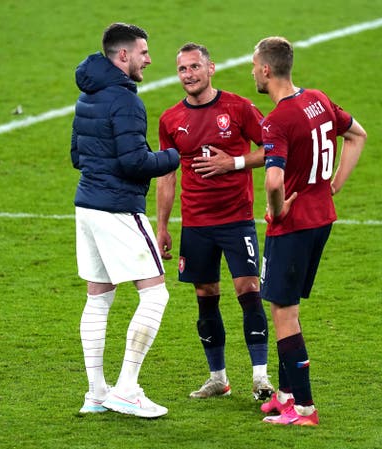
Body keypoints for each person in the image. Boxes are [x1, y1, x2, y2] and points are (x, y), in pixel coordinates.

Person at [252, 36, 367, 426]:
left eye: (254, 66)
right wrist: (334, 184)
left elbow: (272, 182)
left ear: (266, 69)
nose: (252, 71)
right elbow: (357, 135)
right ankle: (284, 395)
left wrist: (277, 211)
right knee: (284, 305)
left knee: (284, 312)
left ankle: (303, 408)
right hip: (321, 217)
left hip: (295, 225)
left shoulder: (276, 121)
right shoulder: (317, 98)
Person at [71, 23, 180, 419]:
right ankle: (127, 388)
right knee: (156, 294)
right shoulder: (126, 101)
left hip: (87, 207)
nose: (149, 59)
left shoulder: (88, 97)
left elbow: (76, 157)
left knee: (98, 298)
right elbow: (135, 162)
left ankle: (96, 393)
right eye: (144, 52)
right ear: (123, 56)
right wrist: (174, 156)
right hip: (117, 209)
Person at [156, 42, 274, 401]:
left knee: (248, 291)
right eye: (182, 69)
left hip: (236, 220)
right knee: (205, 295)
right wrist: (162, 225)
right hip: (195, 224)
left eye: (194, 67)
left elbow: (272, 147)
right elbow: (166, 177)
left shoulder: (238, 108)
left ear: (211, 69)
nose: (188, 75)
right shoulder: (170, 119)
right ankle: (217, 378)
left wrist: (233, 163)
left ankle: (260, 378)